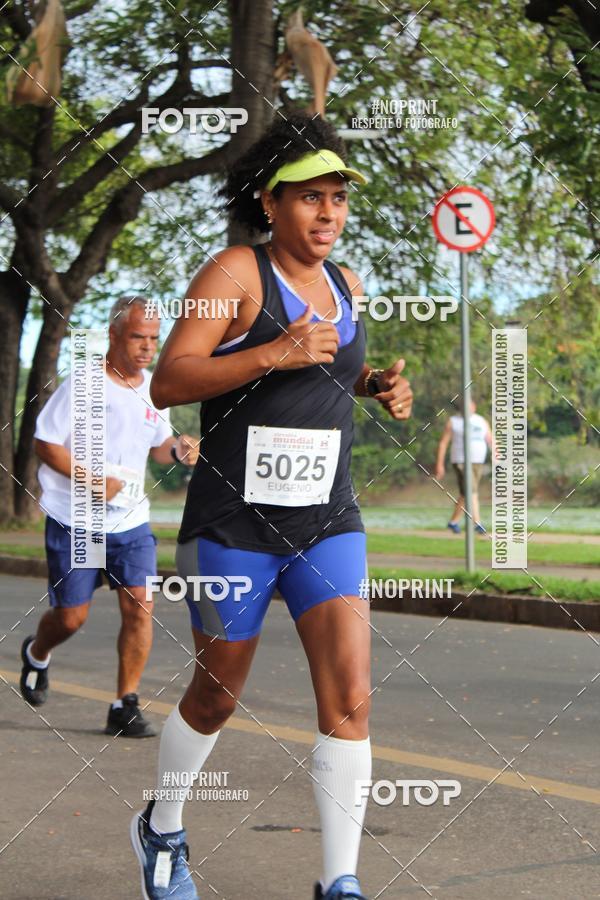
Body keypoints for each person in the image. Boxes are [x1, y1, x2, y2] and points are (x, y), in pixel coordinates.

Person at [129, 114, 413, 900]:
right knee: (217, 692)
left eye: (338, 198)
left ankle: (339, 880)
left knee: (349, 695)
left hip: (326, 520)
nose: (328, 213)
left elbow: (331, 373)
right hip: (233, 523)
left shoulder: (347, 284)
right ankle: (162, 826)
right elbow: (170, 381)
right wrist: (274, 351)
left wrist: (376, 387)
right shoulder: (234, 274)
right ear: (270, 202)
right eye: (310, 197)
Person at [19, 296, 199, 738]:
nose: (148, 347)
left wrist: (179, 449)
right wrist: (90, 479)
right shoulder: (83, 383)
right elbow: (45, 442)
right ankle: (37, 652)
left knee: (140, 605)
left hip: (130, 522)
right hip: (75, 519)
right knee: (71, 617)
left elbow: (158, 447)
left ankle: (125, 704)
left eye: (154, 338)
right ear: (114, 335)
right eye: (138, 336)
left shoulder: (154, 389)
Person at [434, 397, 493, 534]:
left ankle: (453, 522)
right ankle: (477, 523)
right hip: (461, 460)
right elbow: (443, 443)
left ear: (474, 406)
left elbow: (490, 438)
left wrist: (496, 453)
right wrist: (439, 464)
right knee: (471, 490)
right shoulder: (454, 422)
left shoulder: (481, 421)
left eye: (471, 405)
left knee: (466, 493)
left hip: (478, 461)